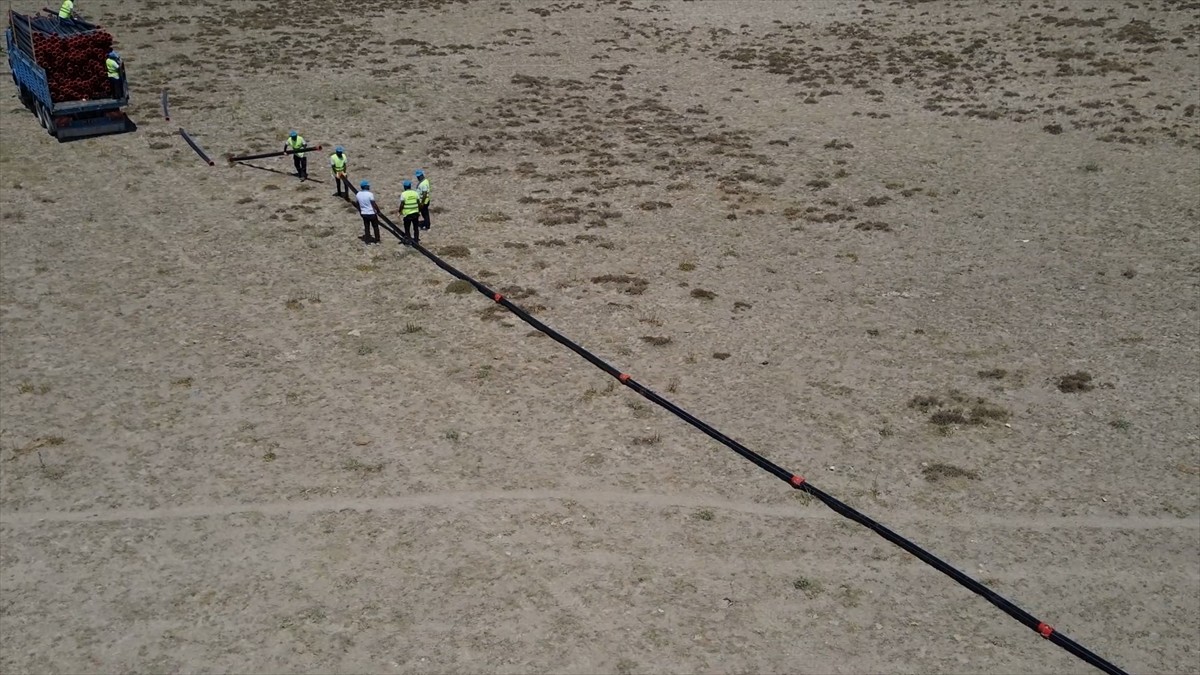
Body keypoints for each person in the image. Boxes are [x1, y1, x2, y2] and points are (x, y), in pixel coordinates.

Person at [356, 180, 380, 244]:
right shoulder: (370, 194)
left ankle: (367, 240)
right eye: (368, 186)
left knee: (367, 227)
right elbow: (373, 204)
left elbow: (357, 204)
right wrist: (378, 210)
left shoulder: (358, 194)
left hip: (364, 213)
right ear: (366, 186)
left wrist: (360, 211)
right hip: (371, 213)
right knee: (375, 226)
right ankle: (377, 239)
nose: (369, 186)